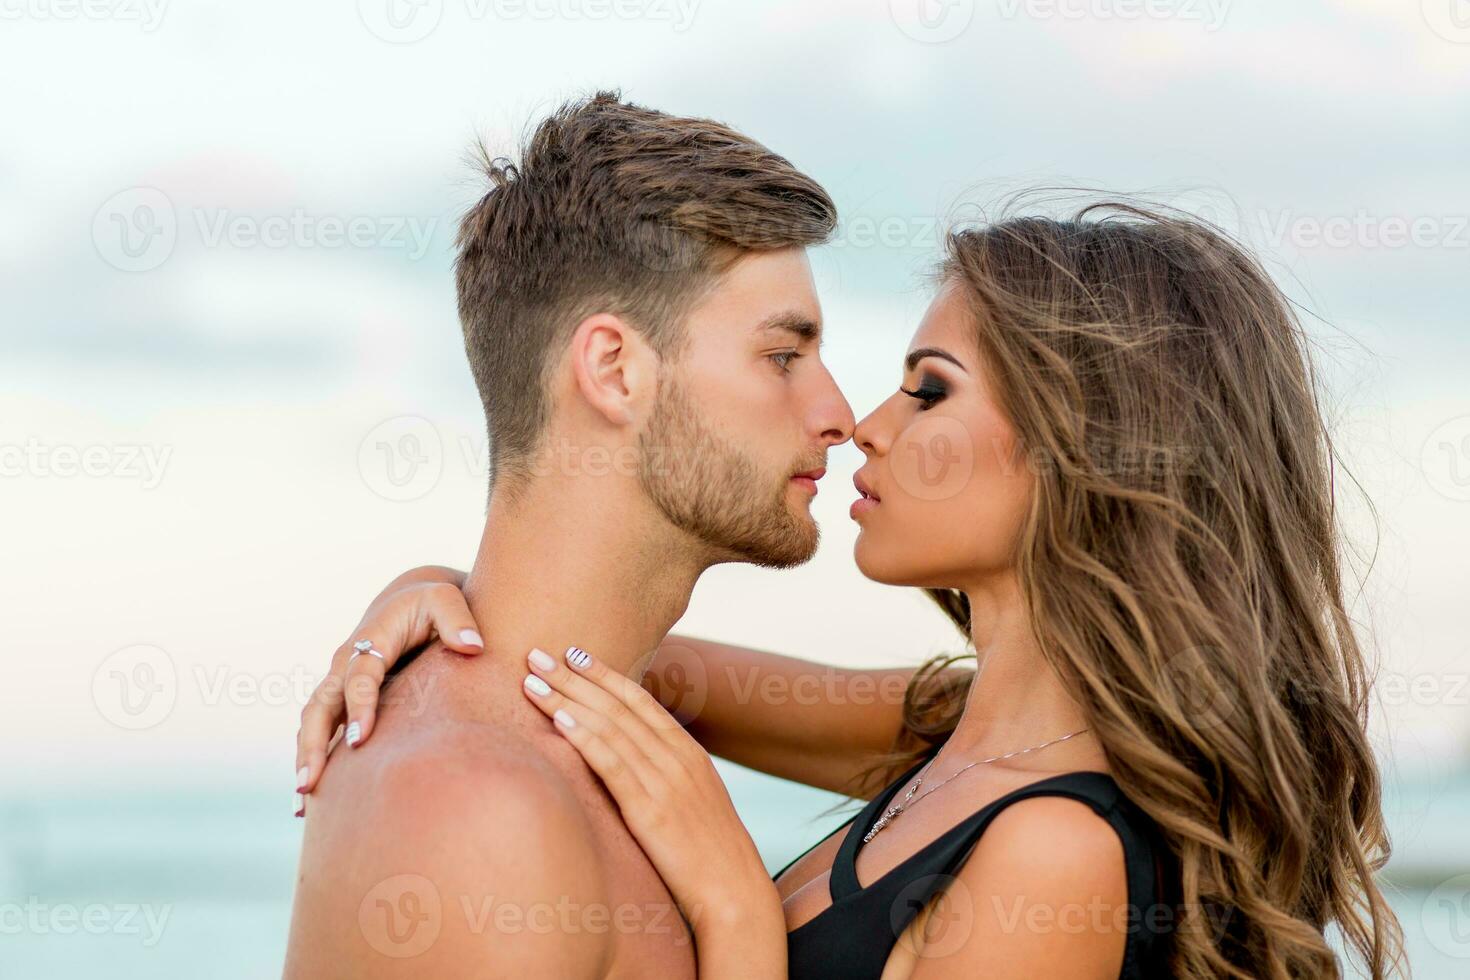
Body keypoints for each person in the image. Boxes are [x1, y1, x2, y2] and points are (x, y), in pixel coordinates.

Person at [297, 206, 1407, 976]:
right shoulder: (954, 735)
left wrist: (736, 911)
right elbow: (601, 668)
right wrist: (432, 591)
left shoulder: (1053, 853)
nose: (863, 423)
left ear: (1088, 448)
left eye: (929, 390)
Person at [282, 90, 852, 978]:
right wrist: (741, 924)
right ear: (615, 371)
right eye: (782, 357)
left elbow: (970, 732)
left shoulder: (580, 734)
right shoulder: (482, 811)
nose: (838, 415)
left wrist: (421, 582)